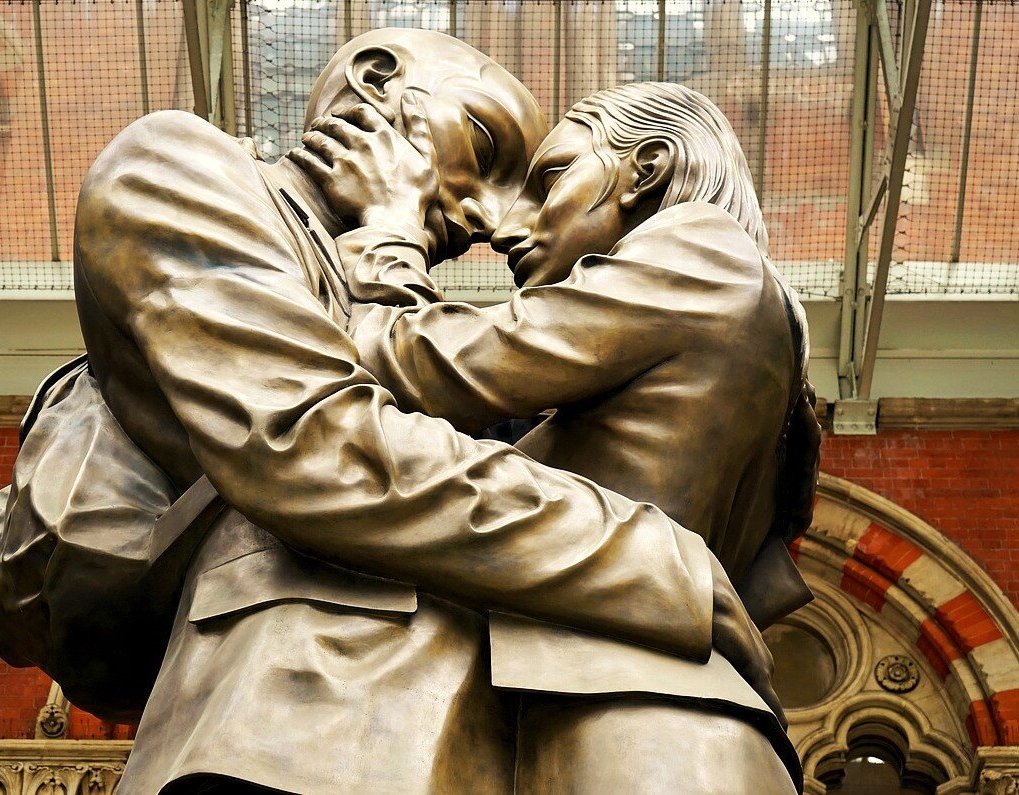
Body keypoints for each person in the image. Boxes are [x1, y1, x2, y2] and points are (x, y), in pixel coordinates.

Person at [298, 82, 822, 793]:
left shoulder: (702, 248)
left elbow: (415, 366)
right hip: (670, 713)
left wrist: (391, 228)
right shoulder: (747, 351)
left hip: (624, 715)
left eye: (549, 181)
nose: (509, 227)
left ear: (649, 169)